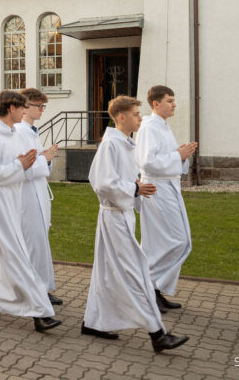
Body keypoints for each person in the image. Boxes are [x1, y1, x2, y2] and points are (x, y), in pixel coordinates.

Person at [81, 95, 189, 353]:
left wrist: (137, 191)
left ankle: (94, 322)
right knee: (136, 271)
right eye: (136, 114)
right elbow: (102, 182)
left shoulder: (125, 144)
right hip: (113, 216)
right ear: (121, 117)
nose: (140, 118)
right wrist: (134, 188)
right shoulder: (111, 145)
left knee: (107, 270)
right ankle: (157, 332)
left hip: (122, 214)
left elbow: (126, 181)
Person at [0, 90, 61, 332]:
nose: (24, 111)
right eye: (21, 108)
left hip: (14, 198)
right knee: (15, 254)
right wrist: (20, 164)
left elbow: (21, 167)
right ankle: (39, 310)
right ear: (10, 109)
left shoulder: (13, 134)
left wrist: (28, 163)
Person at [134, 85, 197, 312]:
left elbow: (166, 158)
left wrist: (180, 155)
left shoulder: (163, 127)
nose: (174, 104)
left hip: (169, 187)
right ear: (156, 104)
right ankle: (148, 286)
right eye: (169, 100)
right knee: (176, 241)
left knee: (172, 242)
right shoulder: (149, 127)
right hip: (156, 189)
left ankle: (154, 288)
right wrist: (177, 155)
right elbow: (147, 162)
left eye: (174, 100)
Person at [16, 88, 60, 305]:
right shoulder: (20, 132)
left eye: (44, 106)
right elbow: (28, 168)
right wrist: (45, 159)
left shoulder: (32, 131)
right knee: (32, 243)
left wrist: (46, 159)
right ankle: (35, 289)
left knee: (40, 241)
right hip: (27, 195)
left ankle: (41, 287)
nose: (42, 110)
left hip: (38, 191)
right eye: (38, 106)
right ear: (25, 107)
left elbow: (37, 164)